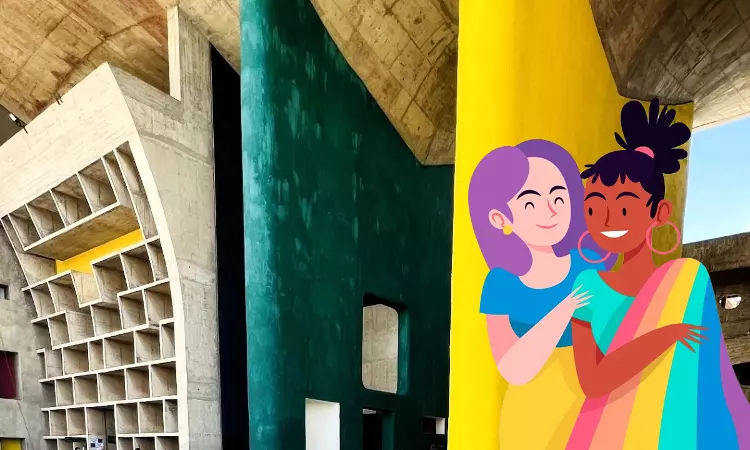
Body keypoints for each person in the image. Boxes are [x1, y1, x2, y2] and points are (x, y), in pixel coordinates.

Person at [567, 98, 750, 449]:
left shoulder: (685, 283)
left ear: (660, 212)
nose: (608, 221)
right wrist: (665, 335)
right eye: (594, 208)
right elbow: (592, 381)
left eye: (624, 208)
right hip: (609, 435)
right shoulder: (587, 285)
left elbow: (708, 383)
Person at [469, 139, 612, 449]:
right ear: (500, 218)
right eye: (530, 203)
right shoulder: (501, 283)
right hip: (530, 420)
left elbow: (613, 339)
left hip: (593, 411)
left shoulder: (588, 265)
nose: (550, 211)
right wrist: (566, 308)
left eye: (558, 197)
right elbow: (513, 367)